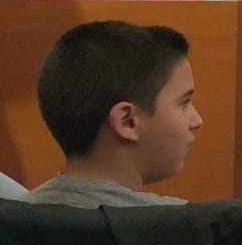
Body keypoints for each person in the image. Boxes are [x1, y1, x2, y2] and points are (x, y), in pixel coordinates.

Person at [24, 21, 200, 208]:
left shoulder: (16, 214)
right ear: (127, 121)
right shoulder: (182, 223)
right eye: (184, 102)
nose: (197, 121)